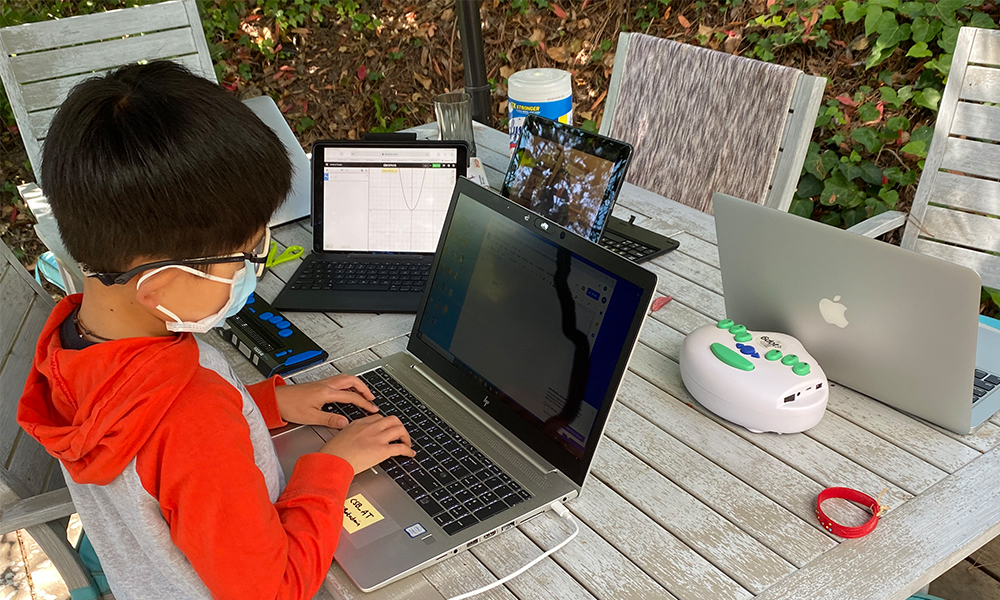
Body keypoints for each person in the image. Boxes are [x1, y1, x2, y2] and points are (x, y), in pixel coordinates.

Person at [16, 61, 414, 600]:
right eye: (247, 256)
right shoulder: (191, 422)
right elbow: (272, 590)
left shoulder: (76, 338)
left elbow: (151, 430)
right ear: (158, 286)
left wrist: (269, 404)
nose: (256, 267)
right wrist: (332, 465)